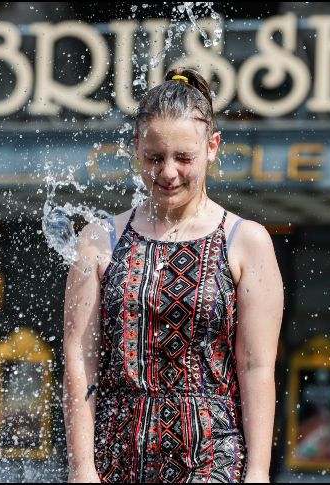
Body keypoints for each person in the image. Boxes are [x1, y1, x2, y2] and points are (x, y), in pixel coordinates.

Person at [62, 67, 284, 483]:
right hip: (116, 455)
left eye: (184, 158)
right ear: (136, 148)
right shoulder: (98, 241)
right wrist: (81, 468)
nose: (167, 173)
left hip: (213, 453)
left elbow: (255, 366)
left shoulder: (247, 242)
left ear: (213, 146)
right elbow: (81, 361)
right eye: (154, 157)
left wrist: (258, 472)